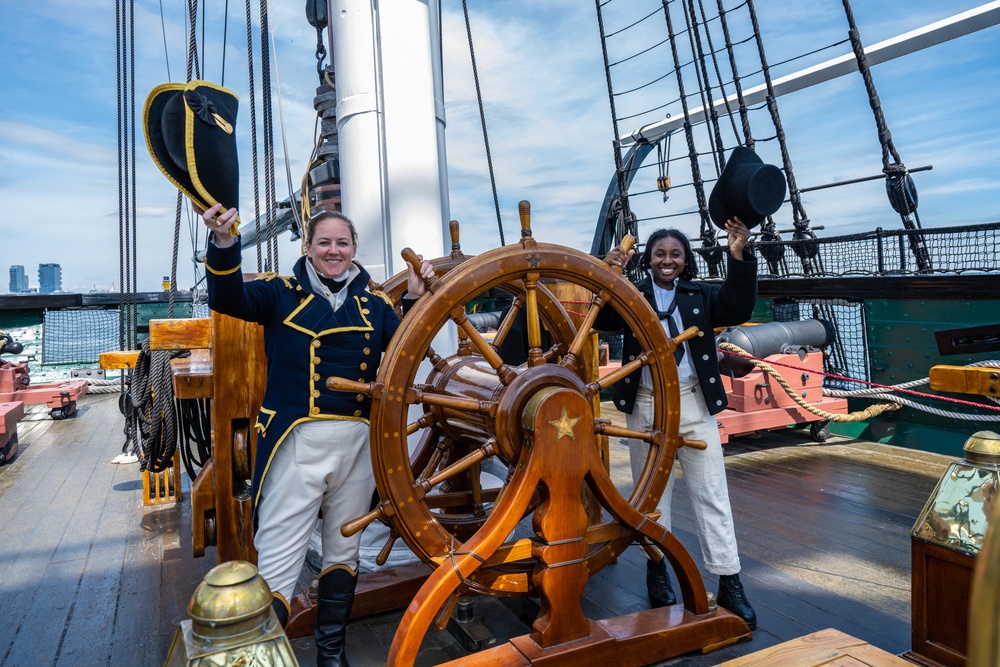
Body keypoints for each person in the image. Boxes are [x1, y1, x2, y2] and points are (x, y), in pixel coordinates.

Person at [200, 202, 434, 666]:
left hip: (356, 448)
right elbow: (227, 298)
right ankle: (261, 658)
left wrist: (414, 298)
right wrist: (224, 243)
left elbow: (407, 348)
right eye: (324, 242)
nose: (333, 251)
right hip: (295, 445)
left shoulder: (375, 305)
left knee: (343, 552)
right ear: (307, 247)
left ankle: (332, 656)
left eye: (342, 243)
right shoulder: (278, 293)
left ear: (353, 249)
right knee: (278, 558)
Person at [599, 217, 758, 630]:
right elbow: (601, 318)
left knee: (713, 495)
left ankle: (729, 581)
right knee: (653, 501)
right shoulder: (629, 294)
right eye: (659, 254)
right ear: (648, 260)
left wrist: (738, 256)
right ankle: (657, 569)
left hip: (693, 405)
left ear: (685, 261)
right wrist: (607, 269)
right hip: (647, 408)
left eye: (675, 254)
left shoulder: (700, 295)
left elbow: (738, 306)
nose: (667, 260)